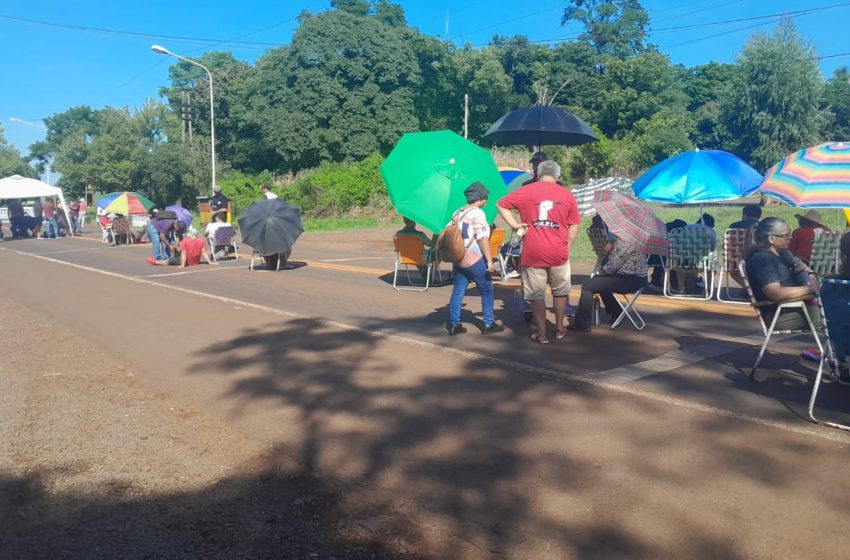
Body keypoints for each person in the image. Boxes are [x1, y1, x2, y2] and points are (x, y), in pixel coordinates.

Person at [497, 159, 581, 343]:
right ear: (558, 175)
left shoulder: (525, 191)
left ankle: (542, 334)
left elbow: (501, 204)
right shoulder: (566, 194)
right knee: (560, 292)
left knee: (537, 295)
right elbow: (575, 224)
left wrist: (515, 224)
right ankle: (559, 328)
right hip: (558, 251)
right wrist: (568, 245)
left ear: (537, 174)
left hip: (532, 250)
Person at [446, 182, 504, 335]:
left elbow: (446, 231)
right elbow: (482, 238)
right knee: (487, 289)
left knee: (458, 290)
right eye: (486, 197)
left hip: (458, 256)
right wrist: (489, 260)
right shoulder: (478, 213)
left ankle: (454, 324)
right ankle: (488, 323)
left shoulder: (457, 212)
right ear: (482, 198)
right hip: (473, 257)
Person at [744, 217, 821, 331]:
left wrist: (807, 271)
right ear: (771, 238)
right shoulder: (763, 259)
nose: (790, 238)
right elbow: (775, 293)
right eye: (786, 235)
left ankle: (832, 348)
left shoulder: (784, 254)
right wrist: (809, 289)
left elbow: (809, 278)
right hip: (780, 314)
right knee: (836, 317)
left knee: (839, 313)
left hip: (797, 307)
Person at [571, 233, 648, 332]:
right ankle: (616, 312)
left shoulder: (624, 243)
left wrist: (599, 272)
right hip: (637, 278)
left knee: (588, 285)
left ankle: (582, 324)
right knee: (601, 284)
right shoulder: (636, 239)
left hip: (630, 279)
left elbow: (611, 267)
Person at [146, 230, 215, 267]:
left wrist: (182, 264)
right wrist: (210, 262)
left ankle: (156, 262)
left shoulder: (185, 240)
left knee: (168, 261)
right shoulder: (201, 241)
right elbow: (204, 253)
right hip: (195, 261)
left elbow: (184, 253)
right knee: (178, 252)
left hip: (186, 261)